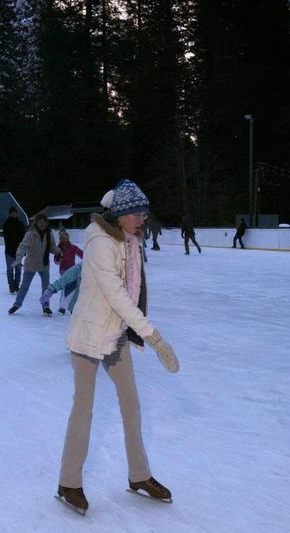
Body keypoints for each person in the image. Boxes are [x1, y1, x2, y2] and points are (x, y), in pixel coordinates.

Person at [56, 179, 180, 515]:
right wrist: (153, 337)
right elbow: (117, 295)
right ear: (122, 213)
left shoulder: (131, 239)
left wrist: (137, 332)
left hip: (116, 335)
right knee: (84, 409)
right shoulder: (99, 241)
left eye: (144, 212)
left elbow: (137, 289)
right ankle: (69, 481)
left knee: (132, 405)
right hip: (89, 335)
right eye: (138, 212)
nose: (143, 218)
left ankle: (139, 475)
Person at [8, 213, 61, 316]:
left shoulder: (49, 235)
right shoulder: (30, 234)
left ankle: (45, 306)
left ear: (46, 223)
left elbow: (52, 248)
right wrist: (18, 258)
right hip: (31, 264)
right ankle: (17, 305)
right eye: (40, 222)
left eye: (44, 222)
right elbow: (22, 246)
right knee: (24, 286)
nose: (42, 224)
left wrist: (58, 252)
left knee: (46, 287)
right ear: (36, 223)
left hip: (44, 264)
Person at [52, 230, 85, 314]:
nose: (64, 240)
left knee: (74, 289)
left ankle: (72, 307)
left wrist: (88, 258)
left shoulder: (72, 247)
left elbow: (82, 254)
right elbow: (56, 261)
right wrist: (59, 259)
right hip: (63, 271)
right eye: (63, 238)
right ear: (60, 239)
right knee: (65, 289)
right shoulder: (58, 248)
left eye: (66, 238)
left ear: (68, 238)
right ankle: (62, 308)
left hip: (73, 271)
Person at [2, 207, 26, 294]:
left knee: (18, 269)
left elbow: (24, 239)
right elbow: (7, 239)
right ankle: (11, 286)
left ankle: (16, 285)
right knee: (10, 269)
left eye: (15, 212)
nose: (13, 214)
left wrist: (23, 250)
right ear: (10, 213)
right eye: (12, 212)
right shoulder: (6, 224)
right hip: (9, 251)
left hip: (19, 251)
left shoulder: (20, 224)